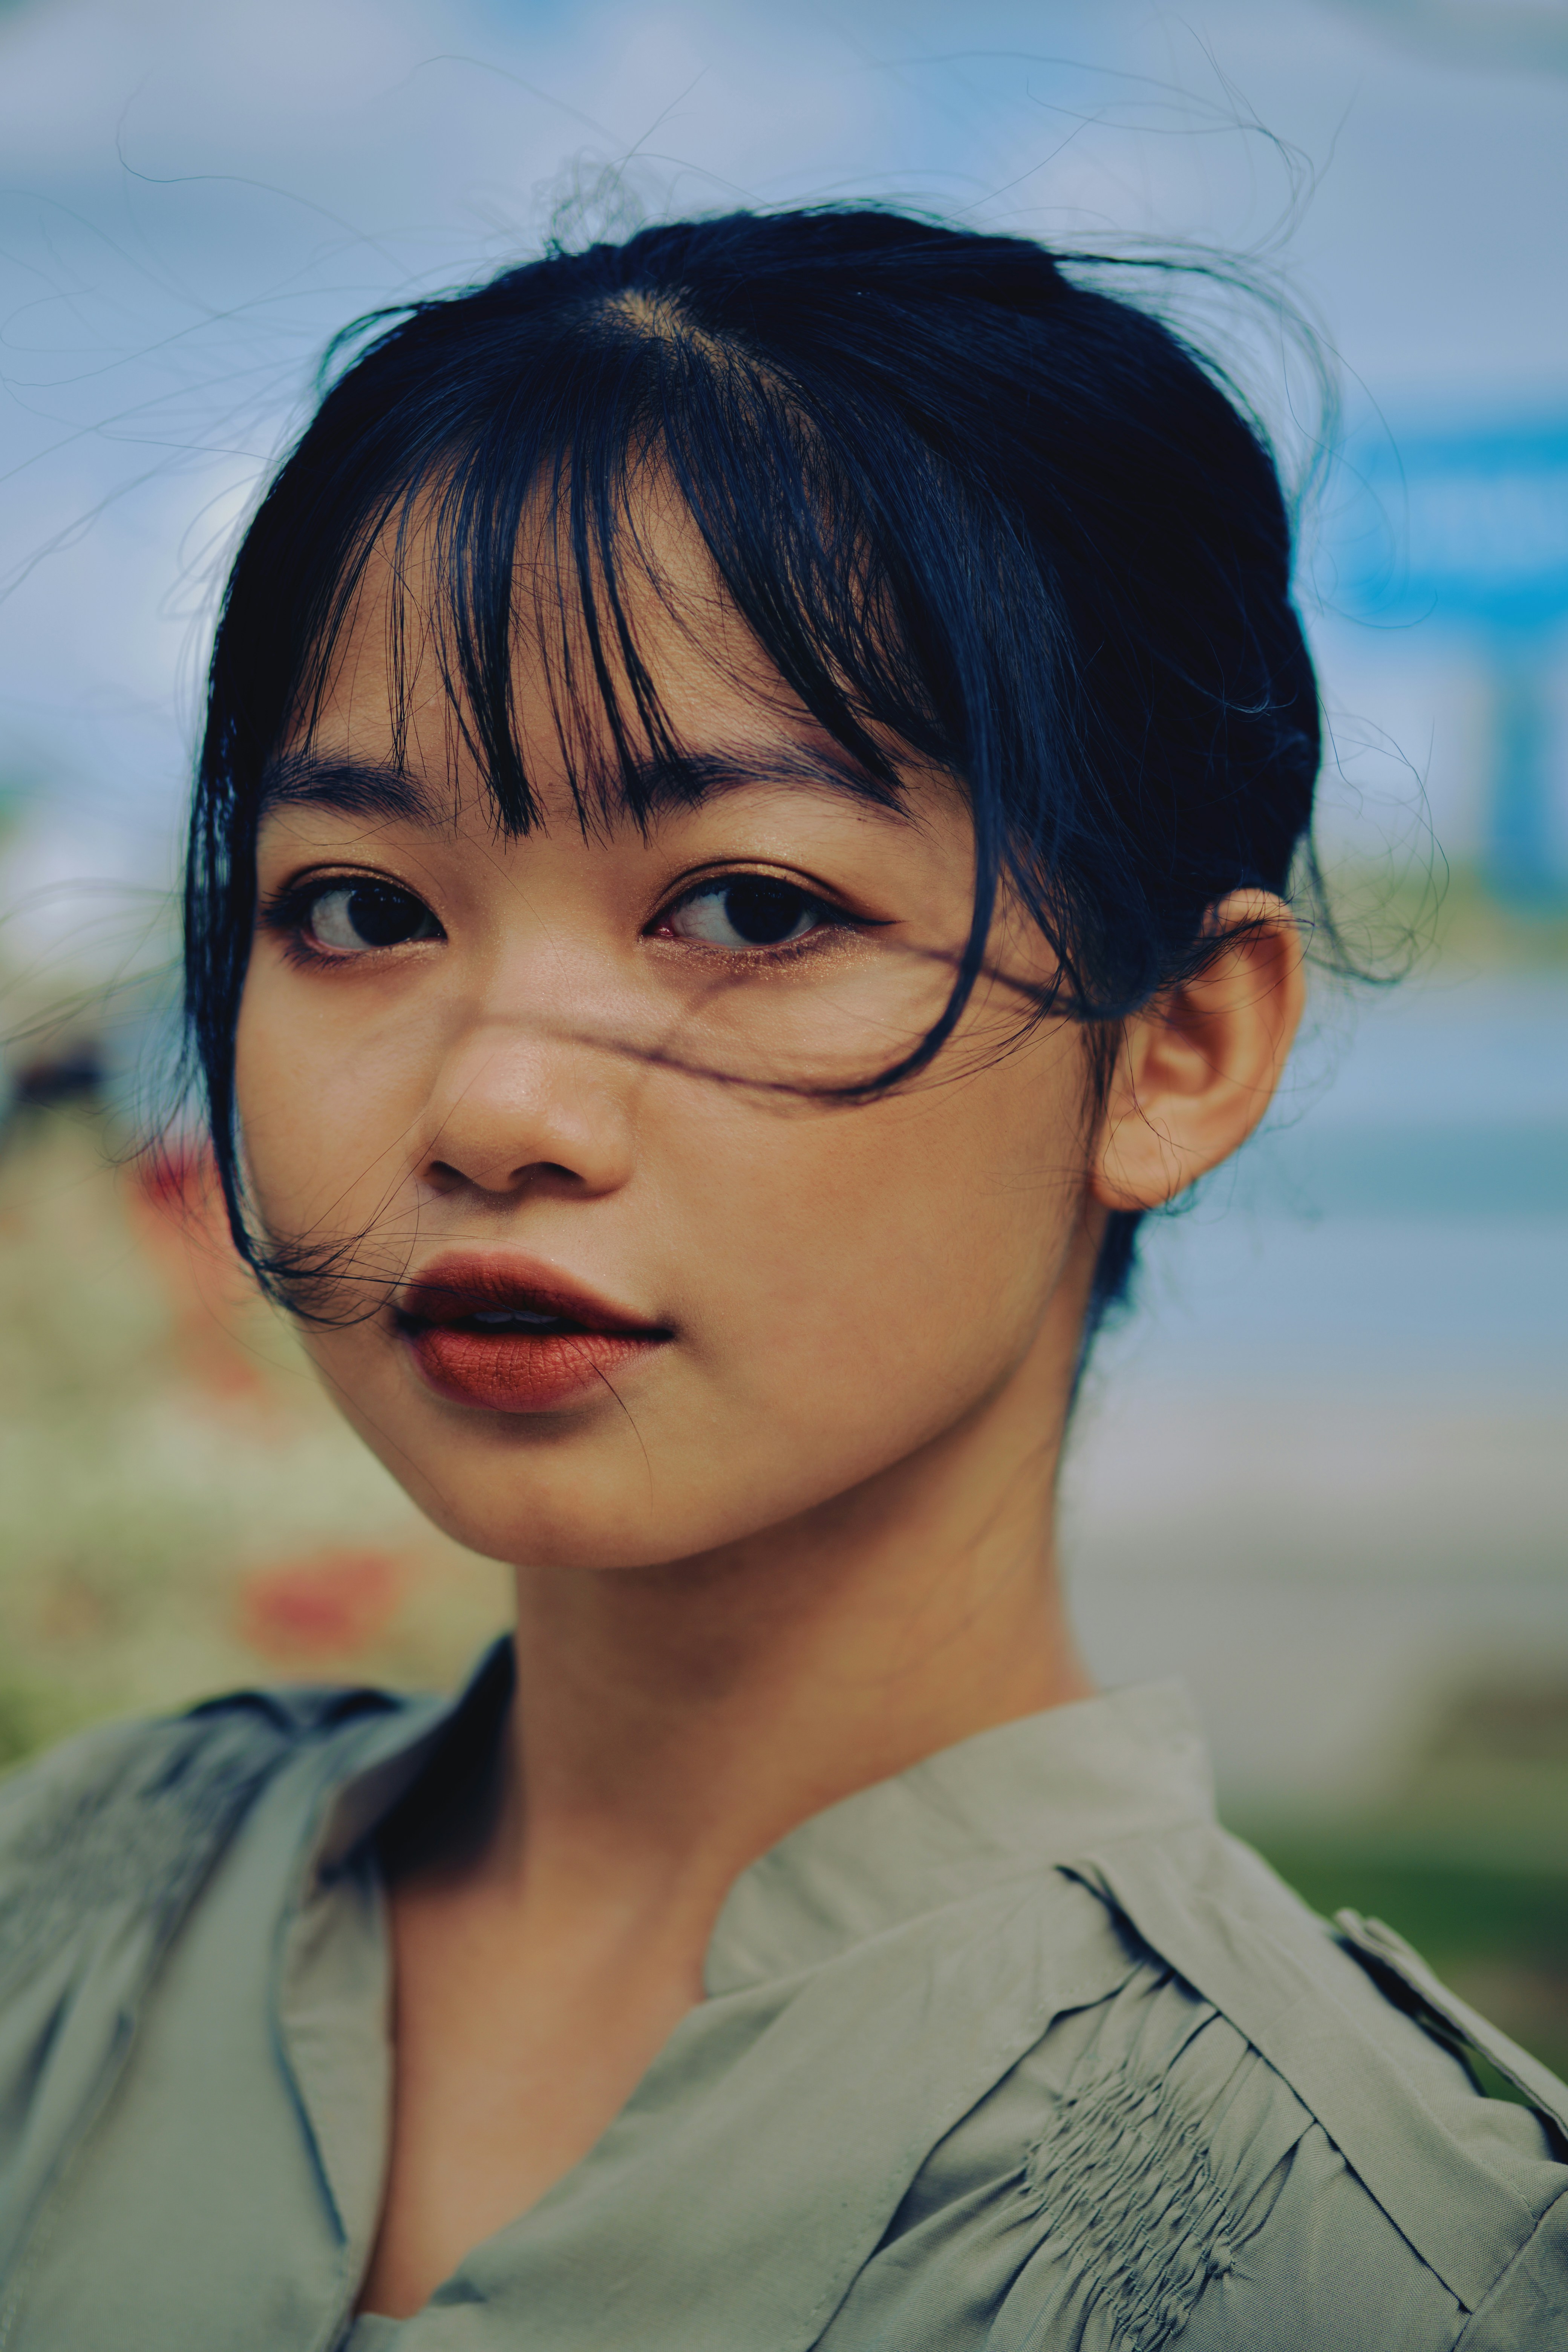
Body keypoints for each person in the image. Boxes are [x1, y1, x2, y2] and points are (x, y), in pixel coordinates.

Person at [0, 207, 1562, 2351]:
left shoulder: (1376, 2269)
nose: (497, 1106)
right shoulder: (66, 1926)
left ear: (1180, 1046)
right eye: (358, 908)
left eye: (747, 908)